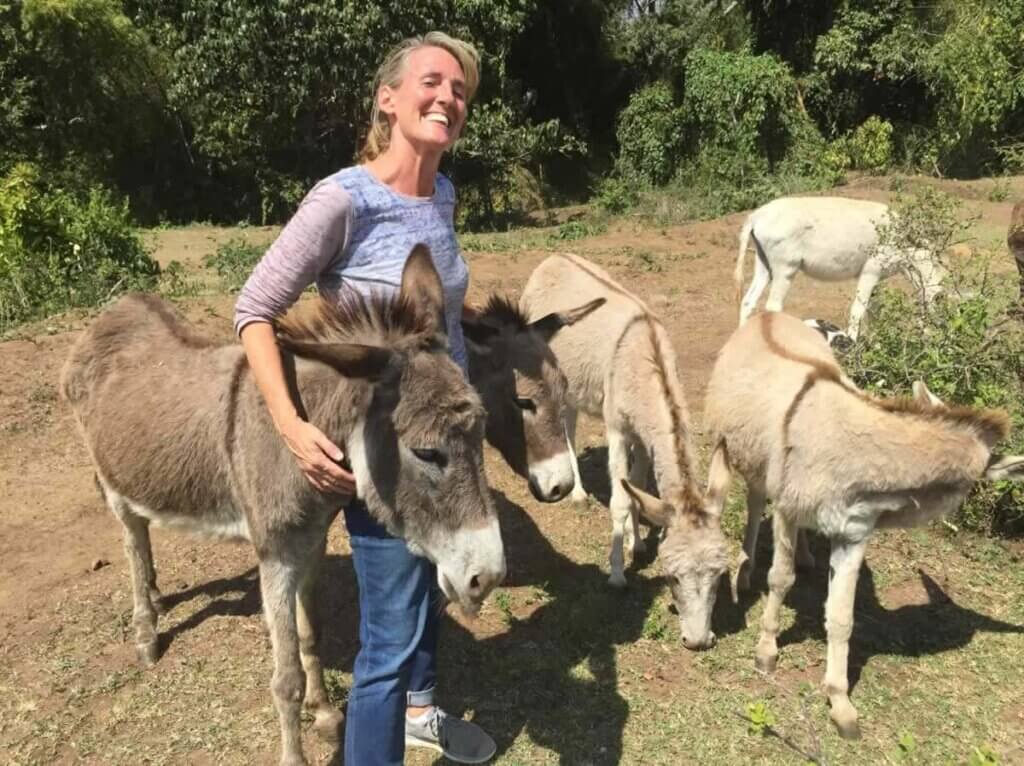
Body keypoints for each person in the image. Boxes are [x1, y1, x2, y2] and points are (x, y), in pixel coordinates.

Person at [233, 31, 496, 766]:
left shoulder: (441, 193)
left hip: (447, 439)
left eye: (462, 91)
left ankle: (422, 709)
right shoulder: (343, 201)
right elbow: (253, 309)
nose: (449, 97)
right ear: (389, 98)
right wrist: (289, 424)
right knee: (387, 641)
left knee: (430, 601)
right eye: (434, 82)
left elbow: (431, 318)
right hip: (386, 449)